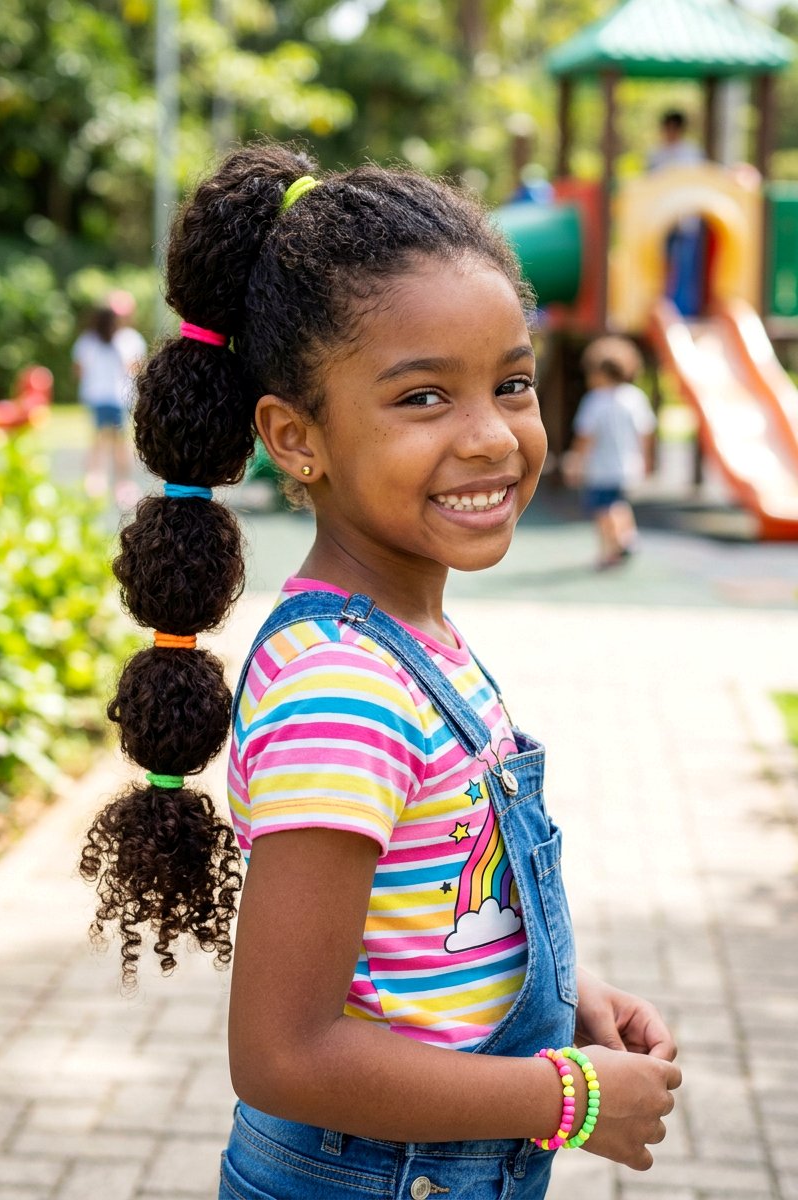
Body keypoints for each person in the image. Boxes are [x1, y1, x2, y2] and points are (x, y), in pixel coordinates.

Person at [80, 145, 681, 1199]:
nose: (490, 435)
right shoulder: (344, 689)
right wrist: (564, 1097)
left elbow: (421, 908)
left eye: (509, 383)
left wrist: (558, 993)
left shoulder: (406, 643)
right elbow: (284, 1052)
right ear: (295, 438)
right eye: (421, 399)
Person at [566, 337, 656, 569]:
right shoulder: (635, 397)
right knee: (618, 503)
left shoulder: (595, 401)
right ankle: (628, 538)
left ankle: (612, 548)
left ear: (598, 373)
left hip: (601, 468)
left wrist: (575, 461)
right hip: (627, 465)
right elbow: (645, 432)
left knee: (603, 510)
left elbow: (586, 436)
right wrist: (646, 459)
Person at [71, 294, 146, 505]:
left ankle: (112, 482)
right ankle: (103, 480)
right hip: (108, 396)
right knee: (109, 440)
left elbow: (79, 368)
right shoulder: (114, 339)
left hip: (113, 396)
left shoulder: (121, 339)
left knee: (110, 440)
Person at [647, 111, 706, 316]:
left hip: (685, 221)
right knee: (661, 264)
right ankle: (663, 307)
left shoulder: (690, 154)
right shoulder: (657, 154)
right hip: (660, 222)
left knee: (685, 264)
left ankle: (684, 310)